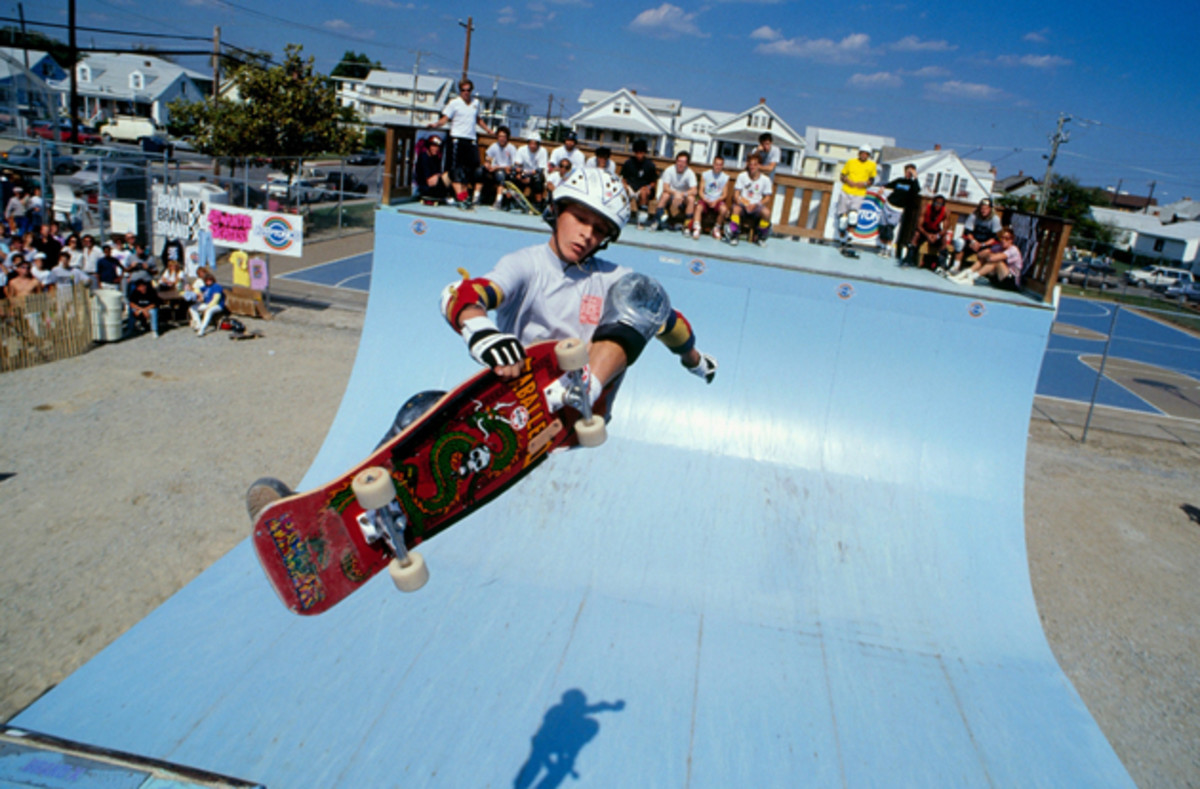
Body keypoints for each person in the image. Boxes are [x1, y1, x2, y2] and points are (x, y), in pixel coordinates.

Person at [437, 167, 717, 431]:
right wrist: (481, 331)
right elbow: (463, 293)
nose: (587, 235)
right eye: (581, 219)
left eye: (599, 230)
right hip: (519, 398)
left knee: (641, 293)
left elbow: (665, 318)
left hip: (583, 413)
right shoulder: (525, 264)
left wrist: (695, 361)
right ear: (557, 211)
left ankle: (581, 391)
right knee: (419, 414)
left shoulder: (612, 278)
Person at [428, 78, 492, 210]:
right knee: (455, 170)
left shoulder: (476, 103)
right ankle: (459, 196)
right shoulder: (454, 103)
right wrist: (435, 124)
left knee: (472, 170)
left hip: (471, 140)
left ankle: (466, 195)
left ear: (471, 91)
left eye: (468, 90)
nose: (466, 93)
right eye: (463, 90)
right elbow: (445, 118)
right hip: (457, 139)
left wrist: (488, 130)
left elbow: (478, 119)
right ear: (460, 91)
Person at [950, 228, 1024, 287]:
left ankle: (972, 278)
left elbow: (992, 258)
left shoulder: (1013, 250)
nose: (1004, 240)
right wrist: (989, 254)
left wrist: (989, 255)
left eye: (1007, 238)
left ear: (1011, 240)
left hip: (1011, 281)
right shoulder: (998, 247)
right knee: (986, 258)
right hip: (998, 278)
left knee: (996, 261)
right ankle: (965, 273)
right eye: (1002, 238)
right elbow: (980, 254)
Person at [727, 153, 773, 247]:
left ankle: (761, 237)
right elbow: (736, 194)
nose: (752, 167)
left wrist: (757, 204)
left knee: (766, 213)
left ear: (759, 165)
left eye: (755, 164)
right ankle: (734, 235)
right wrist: (741, 202)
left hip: (756, 205)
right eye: (750, 164)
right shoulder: (742, 176)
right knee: (736, 209)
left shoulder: (766, 179)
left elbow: (767, 197)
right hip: (743, 204)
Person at [836, 145, 877, 248]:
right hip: (846, 191)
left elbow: (872, 180)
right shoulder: (851, 162)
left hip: (859, 193)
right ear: (859, 153)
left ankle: (850, 238)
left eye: (866, 154)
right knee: (843, 219)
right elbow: (842, 175)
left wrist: (864, 184)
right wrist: (847, 180)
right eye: (862, 153)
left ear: (869, 155)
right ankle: (841, 239)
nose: (864, 155)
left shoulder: (871, 165)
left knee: (853, 216)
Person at [952, 198, 1002, 273]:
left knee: (991, 251)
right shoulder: (974, 215)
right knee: (960, 242)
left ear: (990, 209)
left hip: (986, 243)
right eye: (982, 208)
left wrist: (982, 245)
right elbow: (968, 232)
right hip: (974, 241)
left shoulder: (995, 219)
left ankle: (974, 272)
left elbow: (994, 238)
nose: (983, 210)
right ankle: (955, 267)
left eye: (986, 208)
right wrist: (973, 241)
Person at [884, 164, 921, 264]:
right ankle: (883, 247)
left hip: (899, 208)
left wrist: (915, 177)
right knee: (884, 226)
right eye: (907, 171)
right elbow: (888, 185)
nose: (908, 173)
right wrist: (882, 188)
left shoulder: (912, 184)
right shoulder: (899, 180)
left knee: (891, 227)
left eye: (911, 172)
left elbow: (917, 190)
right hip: (889, 204)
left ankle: (888, 249)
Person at [652, 152, 697, 232]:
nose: (680, 164)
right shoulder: (669, 170)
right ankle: (657, 221)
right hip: (671, 196)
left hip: (683, 198)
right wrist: (675, 193)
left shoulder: (690, 173)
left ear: (687, 164)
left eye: (683, 162)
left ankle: (687, 226)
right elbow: (665, 187)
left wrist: (682, 194)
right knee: (665, 195)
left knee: (691, 199)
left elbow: (694, 190)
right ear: (676, 161)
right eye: (679, 161)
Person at [619, 139, 657, 228]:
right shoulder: (628, 163)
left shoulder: (650, 165)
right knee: (622, 190)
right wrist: (624, 185)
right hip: (630, 187)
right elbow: (623, 178)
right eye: (637, 152)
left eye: (641, 152)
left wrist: (647, 187)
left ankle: (641, 220)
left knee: (644, 192)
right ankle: (621, 215)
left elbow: (653, 182)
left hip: (642, 189)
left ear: (644, 152)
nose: (639, 155)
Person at [691, 155, 731, 241]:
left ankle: (716, 228)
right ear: (713, 164)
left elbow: (724, 194)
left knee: (724, 209)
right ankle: (697, 227)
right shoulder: (705, 174)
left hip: (717, 200)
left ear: (722, 166)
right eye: (716, 164)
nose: (718, 166)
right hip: (706, 198)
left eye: (720, 165)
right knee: (698, 207)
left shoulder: (725, 177)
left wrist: (716, 201)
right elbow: (700, 191)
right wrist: (705, 199)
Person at [483, 126, 518, 209]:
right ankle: (476, 198)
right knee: (479, 171)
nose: (502, 139)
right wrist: (487, 164)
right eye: (500, 136)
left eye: (504, 137)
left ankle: (498, 201)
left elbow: (513, 165)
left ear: (507, 138)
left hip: (505, 172)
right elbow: (488, 158)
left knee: (500, 175)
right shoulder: (494, 146)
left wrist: (498, 167)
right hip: (493, 170)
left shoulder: (511, 148)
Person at [911, 195, 947, 270]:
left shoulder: (945, 212)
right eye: (936, 203)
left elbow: (945, 229)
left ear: (942, 205)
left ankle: (941, 264)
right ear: (933, 203)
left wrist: (936, 236)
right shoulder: (925, 208)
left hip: (936, 232)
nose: (937, 205)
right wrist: (927, 235)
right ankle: (909, 257)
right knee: (916, 234)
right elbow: (919, 226)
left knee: (944, 239)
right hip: (925, 230)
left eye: (940, 204)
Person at [189, 266, 226, 336]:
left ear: (213, 280)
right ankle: (199, 325)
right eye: (206, 280)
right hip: (207, 304)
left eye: (210, 280)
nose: (208, 282)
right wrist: (198, 293)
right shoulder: (206, 287)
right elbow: (197, 289)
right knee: (192, 308)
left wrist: (209, 306)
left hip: (217, 305)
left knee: (208, 311)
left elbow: (216, 299)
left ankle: (202, 329)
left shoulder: (216, 286)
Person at [414, 135, 451, 204]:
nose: (436, 149)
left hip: (434, 186)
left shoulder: (435, 158)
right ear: (428, 146)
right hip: (426, 188)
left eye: (438, 147)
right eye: (433, 146)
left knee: (453, 174)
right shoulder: (424, 158)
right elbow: (429, 181)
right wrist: (440, 176)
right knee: (448, 175)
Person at [513, 137, 548, 207]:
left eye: (535, 144)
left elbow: (540, 169)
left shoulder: (543, 151)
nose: (533, 146)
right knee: (512, 175)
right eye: (531, 143)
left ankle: (538, 204)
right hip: (524, 173)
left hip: (536, 174)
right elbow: (516, 165)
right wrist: (519, 173)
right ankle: (511, 201)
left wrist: (529, 177)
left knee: (537, 178)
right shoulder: (522, 149)